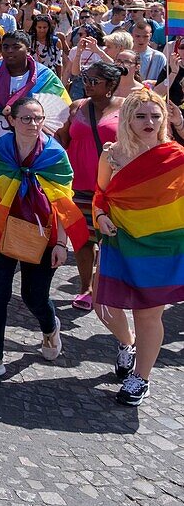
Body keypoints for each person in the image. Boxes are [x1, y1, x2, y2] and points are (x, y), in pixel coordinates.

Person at [0, 97, 82, 382]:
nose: (33, 124)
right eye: (26, 118)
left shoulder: (55, 155)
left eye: (38, 118)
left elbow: (63, 202)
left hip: (43, 234)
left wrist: (61, 243)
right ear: (12, 120)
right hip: (3, 229)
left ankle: (49, 328)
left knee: (34, 296)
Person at [92, 88, 184, 406]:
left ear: (164, 119)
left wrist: (182, 127)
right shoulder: (111, 154)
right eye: (141, 116)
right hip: (119, 239)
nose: (148, 122)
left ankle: (140, 378)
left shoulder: (175, 155)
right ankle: (127, 343)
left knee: (148, 314)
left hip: (160, 248)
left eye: (155, 116)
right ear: (127, 119)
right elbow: (100, 194)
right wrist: (100, 215)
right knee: (102, 305)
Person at [54, 62, 124, 309]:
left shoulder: (126, 108)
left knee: (111, 241)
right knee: (83, 240)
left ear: (111, 85)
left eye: (95, 81)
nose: (88, 84)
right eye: (86, 78)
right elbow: (64, 136)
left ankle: (107, 286)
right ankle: (86, 288)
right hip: (80, 184)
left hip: (115, 188)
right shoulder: (77, 107)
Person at [0, 31, 69, 139]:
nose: (10, 51)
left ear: (28, 50)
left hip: (34, 148)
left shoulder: (45, 77)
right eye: (6, 47)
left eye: (16, 47)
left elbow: (62, 114)